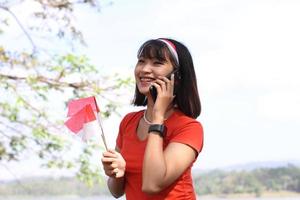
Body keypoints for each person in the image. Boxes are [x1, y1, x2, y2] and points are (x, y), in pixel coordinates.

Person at [101, 38, 204, 200]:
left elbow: (152, 184)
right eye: (141, 61)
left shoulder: (189, 127)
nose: (145, 69)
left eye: (157, 63)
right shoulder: (128, 122)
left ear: (177, 76)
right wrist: (117, 174)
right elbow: (116, 192)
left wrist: (158, 117)